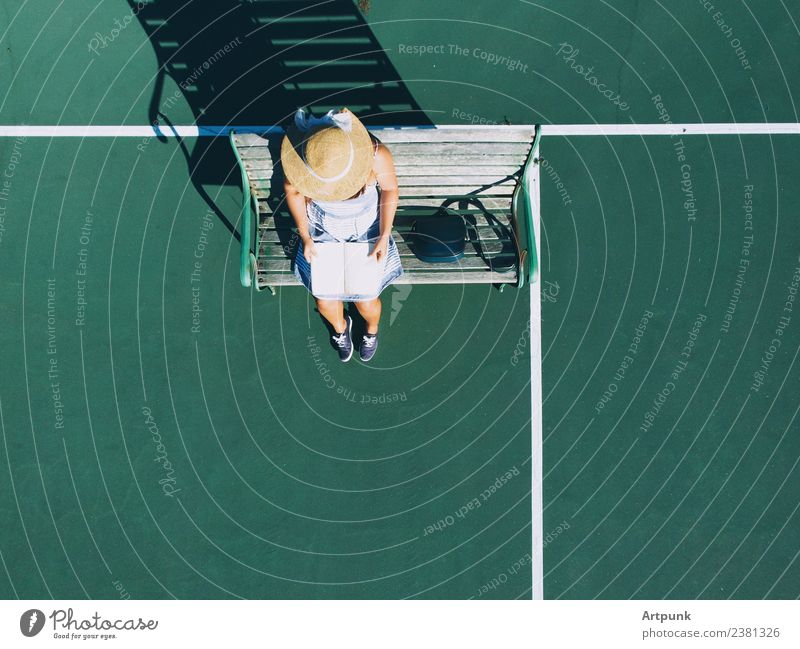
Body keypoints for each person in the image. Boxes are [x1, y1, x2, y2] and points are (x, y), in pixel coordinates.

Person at [281, 107, 404, 362]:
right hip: (323, 232)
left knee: (367, 301)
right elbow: (293, 193)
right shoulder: (308, 158)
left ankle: (371, 330)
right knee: (325, 301)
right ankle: (340, 329)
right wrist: (305, 236)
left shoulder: (374, 154)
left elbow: (390, 189)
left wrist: (383, 235)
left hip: (368, 231)